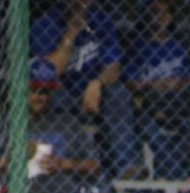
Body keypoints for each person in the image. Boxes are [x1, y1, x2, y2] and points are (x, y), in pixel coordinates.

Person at [0, 58, 103, 193]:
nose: (41, 96)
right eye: (35, 90)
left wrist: (64, 165)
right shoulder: (1, 124)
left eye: (46, 91)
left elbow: (95, 166)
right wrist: (13, 160)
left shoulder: (67, 123)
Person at [31, 0, 143, 179]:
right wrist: (72, 32)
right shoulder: (45, 24)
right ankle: (64, 164)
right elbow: (51, 72)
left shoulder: (100, 20)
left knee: (119, 93)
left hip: (94, 95)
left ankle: (126, 166)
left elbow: (114, 67)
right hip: (62, 92)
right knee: (55, 95)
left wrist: (97, 82)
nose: (79, 4)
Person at [124, 0, 190, 179]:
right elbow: (129, 81)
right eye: (155, 13)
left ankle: (168, 175)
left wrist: (176, 83)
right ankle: (174, 177)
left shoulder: (178, 47)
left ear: (171, 17)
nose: (160, 18)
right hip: (148, 105)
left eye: (165, 14)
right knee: (153, 134)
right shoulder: (139, 46)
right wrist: (153, 84)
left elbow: (189, 79)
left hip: (177, 105)